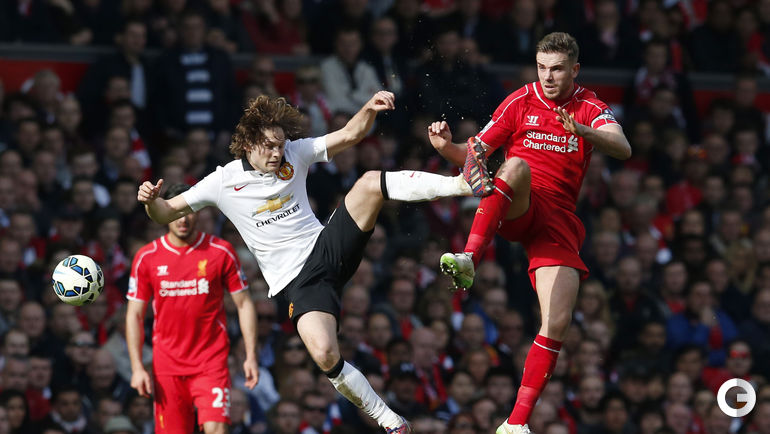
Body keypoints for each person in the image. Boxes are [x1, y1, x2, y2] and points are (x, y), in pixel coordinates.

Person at [136, 90, 482, 433]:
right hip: (298, 282)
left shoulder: (295, 152)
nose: (277, 153)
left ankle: (464, 184)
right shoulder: (222, 181)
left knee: (368, 184)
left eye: (280, 145)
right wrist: (151, 201)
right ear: (248, 144)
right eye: (269, 146)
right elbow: (165, 212)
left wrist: (368, 107)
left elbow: (351, 134)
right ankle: (391, 422)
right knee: (325, 354)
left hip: (327, 246)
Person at [432, 32, 631, 434]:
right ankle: (469, 256)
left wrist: (584, 131)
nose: (548, 77)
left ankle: (516, 424)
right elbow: (475, 156)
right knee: (516, 165)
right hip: (518, 202)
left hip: (558, 220)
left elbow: (622, 147)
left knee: (556, 324)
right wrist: (446, 148)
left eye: (557, 69)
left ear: (574, 69)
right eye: (542, 68)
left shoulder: (590, 106)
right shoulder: (521, 100)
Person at [126, 183, 259, 434]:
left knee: (217, 429)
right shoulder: (147, 257)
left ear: (198, 212)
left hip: (211, 362)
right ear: (164, 213)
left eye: (188, 211)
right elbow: (134, 315)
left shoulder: (221, 252)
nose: (183, 219)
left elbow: (244, 304)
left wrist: (251, 355)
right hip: (167, 366)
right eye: (176, 212)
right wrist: (137, 367)